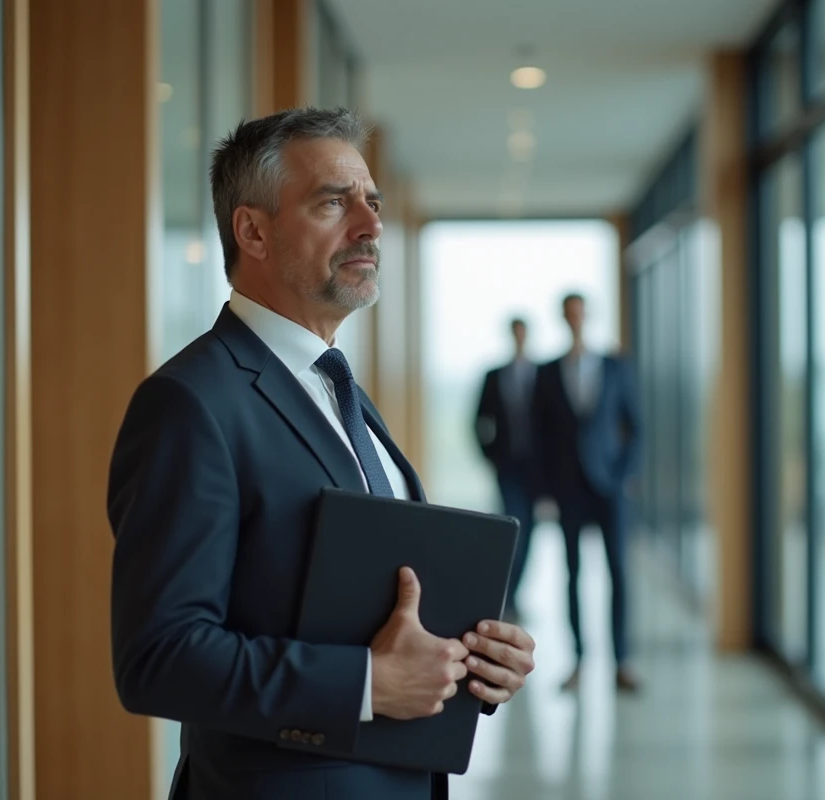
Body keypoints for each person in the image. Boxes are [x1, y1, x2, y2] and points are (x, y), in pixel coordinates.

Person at [107, 107, 536, 800]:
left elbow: (369, 604)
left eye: (372, 202)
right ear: (253, 230)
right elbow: (158, 658)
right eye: (333, 203)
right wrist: (367, 683)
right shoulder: (190, 404)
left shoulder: (337, 389)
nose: (369, 227)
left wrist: (474, 659)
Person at [533, 292, 642, 693]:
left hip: (611, 486)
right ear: (563, 318)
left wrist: (627, 475)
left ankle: (623, 661)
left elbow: (636, 425)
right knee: (572, 574)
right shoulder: (547, 371)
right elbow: (539, 435)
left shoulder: (616, 366)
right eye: (569, 313)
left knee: (619, 572)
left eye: (580, 312)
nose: (575, 319)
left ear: (587, 316)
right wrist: (543, 489)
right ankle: (578, 661)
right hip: (567, 485)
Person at [473, 317, 540, 620]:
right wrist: (491, 456)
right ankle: (507, 597)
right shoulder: (495, 375)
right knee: (515, 526)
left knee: (531, 530)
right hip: (508, 465)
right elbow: (478, 420)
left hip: (536, 469)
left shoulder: (542, 374)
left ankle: (514, 595)